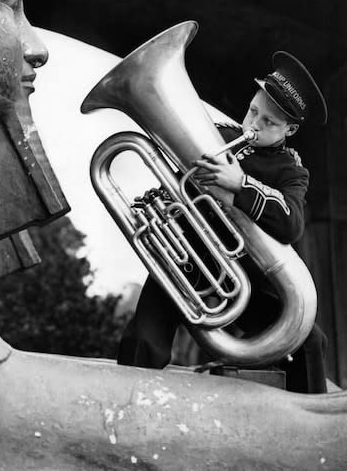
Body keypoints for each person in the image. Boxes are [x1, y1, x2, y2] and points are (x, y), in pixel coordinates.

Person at [117, 50, 328, 393]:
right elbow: (175, 181)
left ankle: (314, 423)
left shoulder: (291, 171)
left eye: (269, 123)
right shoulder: (217, 135)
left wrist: (241, 185)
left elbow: (292, 223)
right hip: (187, 257)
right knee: (144, 338)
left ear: (290, 129)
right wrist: (161, 205)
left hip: (240, 279)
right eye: (253, 111)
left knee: (308, 340)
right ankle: (126, 404)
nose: (253, 125)